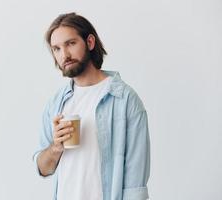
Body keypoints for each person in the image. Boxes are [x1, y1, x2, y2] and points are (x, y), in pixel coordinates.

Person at [33, 12, 150, 200]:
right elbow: (43, 168)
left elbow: (135, 185)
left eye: (70, 43)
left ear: (90, 42)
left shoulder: (125, 100)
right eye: (56, 49)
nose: (64, 55)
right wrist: (55, 148)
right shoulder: (56, 104)